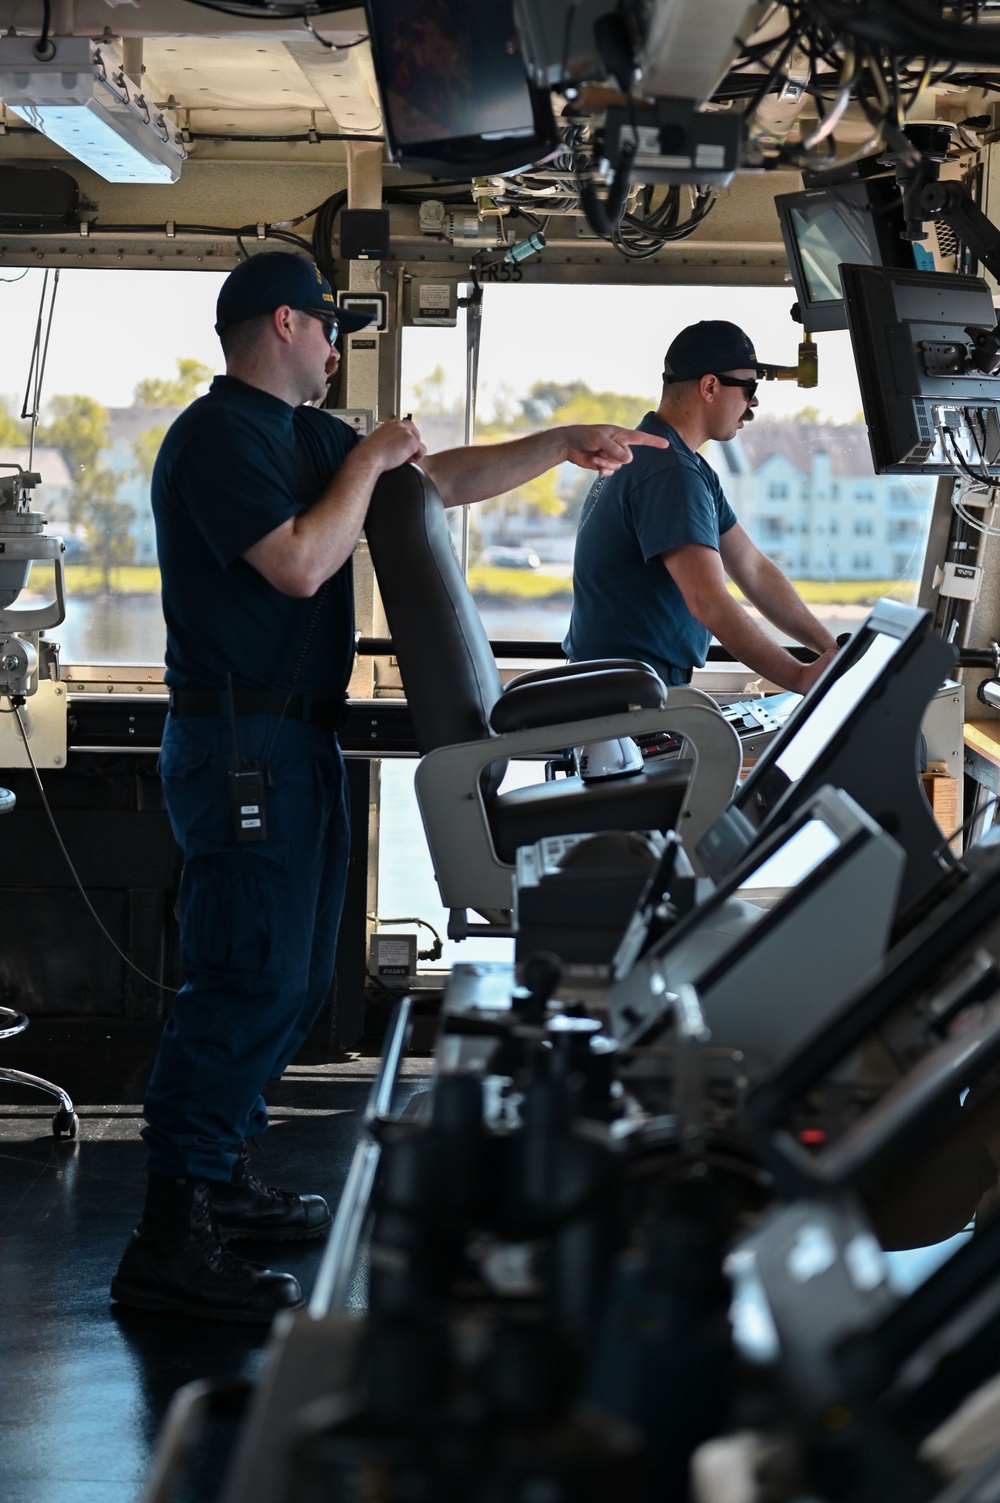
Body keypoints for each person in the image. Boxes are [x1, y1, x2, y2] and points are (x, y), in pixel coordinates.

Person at [110, 250, 668, 1323]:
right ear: (284, 323)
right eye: (328, 328)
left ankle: (219, 1178)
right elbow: (301, 565)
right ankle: (168, 1238)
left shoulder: (308, 438)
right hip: (239, 745)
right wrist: (367, 457)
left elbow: (434, 485)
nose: (335, 347)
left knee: (293, 974)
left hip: (290, 742)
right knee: (246, 980)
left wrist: (559, 446)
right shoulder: (219, 435)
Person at [563, 320, 839, 693]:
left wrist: (830, 649)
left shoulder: (670, 459)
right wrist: (798, 677)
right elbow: (708, 602)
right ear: (709, 387)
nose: (754, 402)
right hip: (624, 698)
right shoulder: (669, 472)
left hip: (623, 686)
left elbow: (752, 568)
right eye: (748, 388)